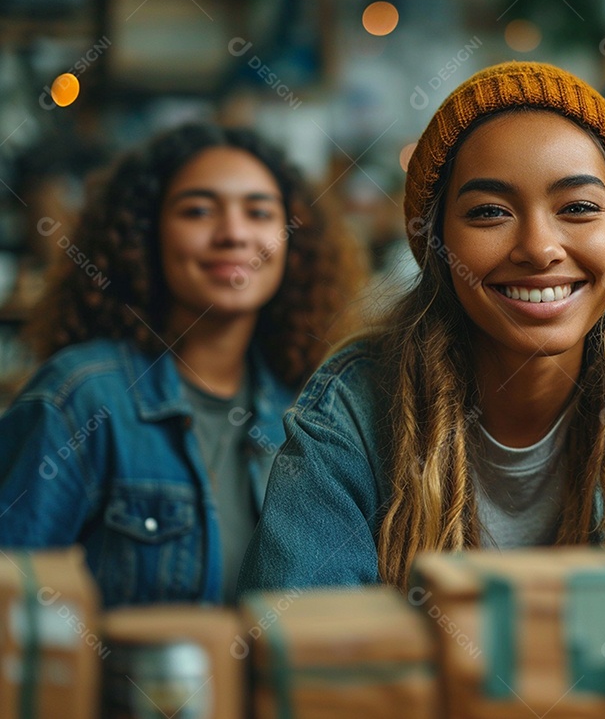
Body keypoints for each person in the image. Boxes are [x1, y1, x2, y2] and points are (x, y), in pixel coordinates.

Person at [238, 61, 605, 603]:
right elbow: (296, 625)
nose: (539, 248)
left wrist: (588, 609)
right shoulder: (353, 406)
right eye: (489, 212)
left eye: (577, 208)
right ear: (437, 244)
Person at [0, 122, 364, 606]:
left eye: (258, 212)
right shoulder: (79, 397)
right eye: (198, 210)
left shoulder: (312, 413)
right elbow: (11, 607)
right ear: (145, 235)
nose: (233, 234)